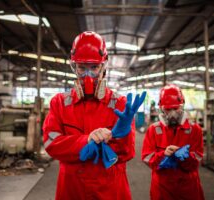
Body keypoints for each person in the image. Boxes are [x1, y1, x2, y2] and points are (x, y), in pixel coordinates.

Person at [42, 31, 144, 200]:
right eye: (82, 68)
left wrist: (122, 135)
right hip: (72, 191)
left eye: (94, 68)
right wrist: (87, 140)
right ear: (74, 68)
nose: (88, 76)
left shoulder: (119, 104)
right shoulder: (59, 103)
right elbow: (52, 144)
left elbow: (127, 154)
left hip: (110, 191)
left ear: (104, 68)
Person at [141, 84, 205, 200]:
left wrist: (186, 157)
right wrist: (162, 155)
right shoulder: (154, 130)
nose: (172, 114)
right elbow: (147, 157)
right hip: (162, 189)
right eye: (168, 109)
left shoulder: (195, 130)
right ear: (161, 108)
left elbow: (198, 159)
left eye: (175, 109)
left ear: (182, 106)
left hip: (188, 189)